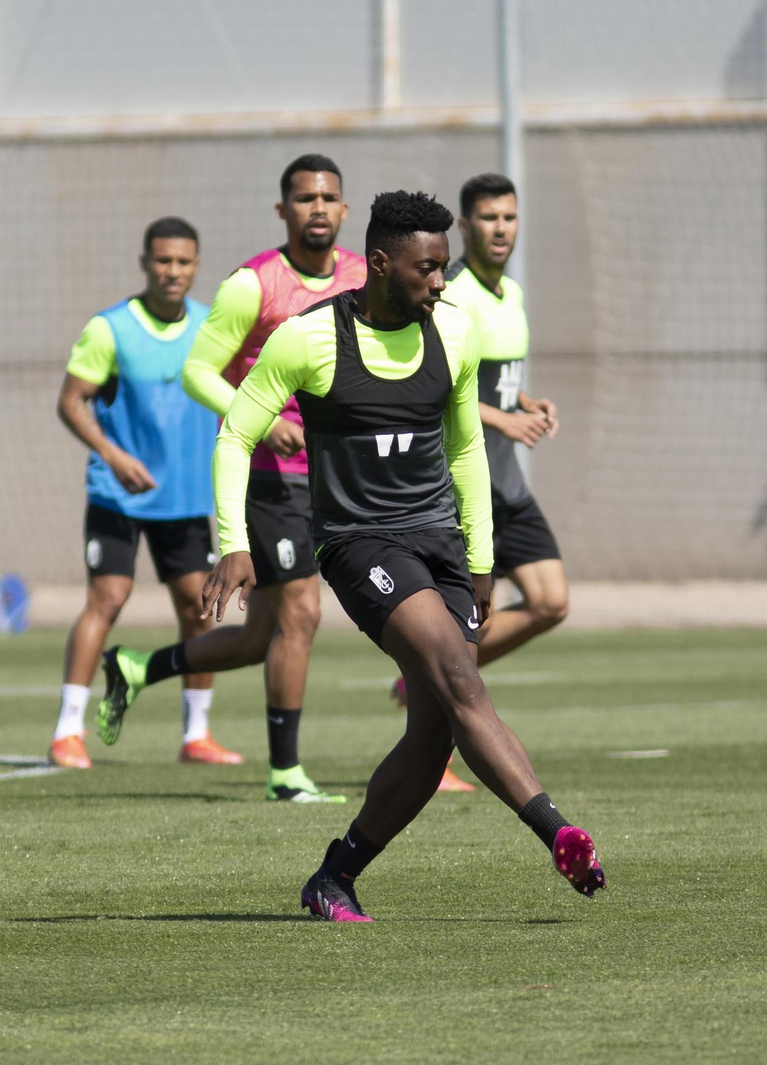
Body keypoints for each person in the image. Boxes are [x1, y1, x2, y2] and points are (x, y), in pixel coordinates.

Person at [199, 190, 606, 920]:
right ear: (382, 264)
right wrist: (232, 542)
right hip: (360, 546)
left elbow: (466, 448)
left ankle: (335, 874)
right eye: (427, 268)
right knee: (459, 674)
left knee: (435, 731)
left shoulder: (453, 332)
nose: (441, 281)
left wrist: (481, 562)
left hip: (441, 542)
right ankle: (559, 830)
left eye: (445, 267)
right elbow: (235, 435)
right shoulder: (308, 338)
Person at [95, 154, 363, 803]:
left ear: (345, 209)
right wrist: (260, 418)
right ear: (283, 210)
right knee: (301, 614)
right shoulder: (254, 285)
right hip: (270, 474)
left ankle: (138, 666)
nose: (318, 208)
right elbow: (197, 371)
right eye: (304, 198)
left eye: (329, 197)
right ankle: (286, 773)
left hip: (336, 475)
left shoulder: (361, 276)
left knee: (255, 637)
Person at [389, 174, 569, 794]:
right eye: (489, 218)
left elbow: (493, 377)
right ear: (464, 227)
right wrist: (504, 418)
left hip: (508, 483)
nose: (501, 228)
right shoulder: (450, 291)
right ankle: (435, 748)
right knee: (459, 627)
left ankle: (427, 676)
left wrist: (526, 400)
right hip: (463, 482)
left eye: (510, 217)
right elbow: (444, 389)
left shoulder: (510, 293)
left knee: (551, 601)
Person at [47, 218, 233, 769]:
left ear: (196, 265)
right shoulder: (110, 328)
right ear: (145, 263)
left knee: (200, 613)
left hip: (186, 497)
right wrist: (114, 455)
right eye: (162, 261)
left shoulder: (211, 328)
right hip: (118, 494)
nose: (173, 271)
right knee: (107, 599)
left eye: (183, 262)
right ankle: (66, 732)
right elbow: (70, 402)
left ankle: (196, 734)